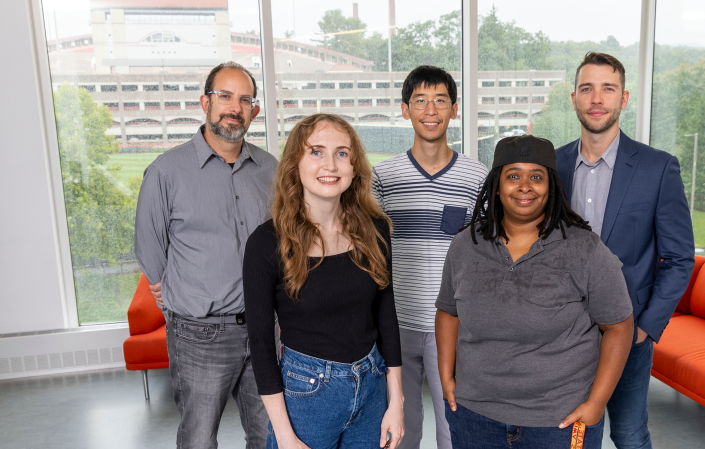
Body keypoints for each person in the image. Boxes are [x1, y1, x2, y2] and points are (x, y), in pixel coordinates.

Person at [435, 135, 634, 449]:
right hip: (475, 415)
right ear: (497, 186)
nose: (524, 185)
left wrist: (597, 403)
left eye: (536, 177)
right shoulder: (464, 245)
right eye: (513, 175)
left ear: (550, 186)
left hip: (559, 422)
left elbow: (619, 327)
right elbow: (448, 311)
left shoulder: (586, 249)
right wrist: (445, 376)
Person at [554, 52, 696, 448]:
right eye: (587, 89)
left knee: (630, 434)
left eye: (608, 89)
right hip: (563, 334)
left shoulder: (658, 168)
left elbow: (680, 258)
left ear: (624, 98)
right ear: (574, 98)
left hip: (629, 333)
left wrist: (647, 327)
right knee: (573, 435)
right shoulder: (552, 166)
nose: (597, 98)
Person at [242, 113, 405, 449]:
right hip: (307, 394)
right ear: (295, 164)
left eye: (342, 153)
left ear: (354, 165)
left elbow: (386, 319)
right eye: (316, 151)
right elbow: (260, 344)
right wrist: (285, 436)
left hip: (372, 385)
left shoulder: (376, 229)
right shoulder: (266, 243)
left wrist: (396, 402)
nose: (330, 164)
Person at [134, 61, 274, 449]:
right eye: (224, 96)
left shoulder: (271, 170)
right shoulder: (167, 171)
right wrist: (176, 291)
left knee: (268, 435)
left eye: (245, 100)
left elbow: (283, 241)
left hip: (264, 326)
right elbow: (149, 246)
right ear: (205, 103)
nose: (235, 107)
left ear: (254, 111)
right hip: (200, 334)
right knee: (199, 438)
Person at [371, 66, 488, 449]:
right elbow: (369, 250)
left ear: (454, 109)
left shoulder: (477, 177)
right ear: (406, 110)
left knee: (454, 426)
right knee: (399, 428)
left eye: (440, 100)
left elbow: (486, 254)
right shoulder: (383, 177)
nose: (430, 110)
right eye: (420, 101)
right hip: (396, 322)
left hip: (453, 323)